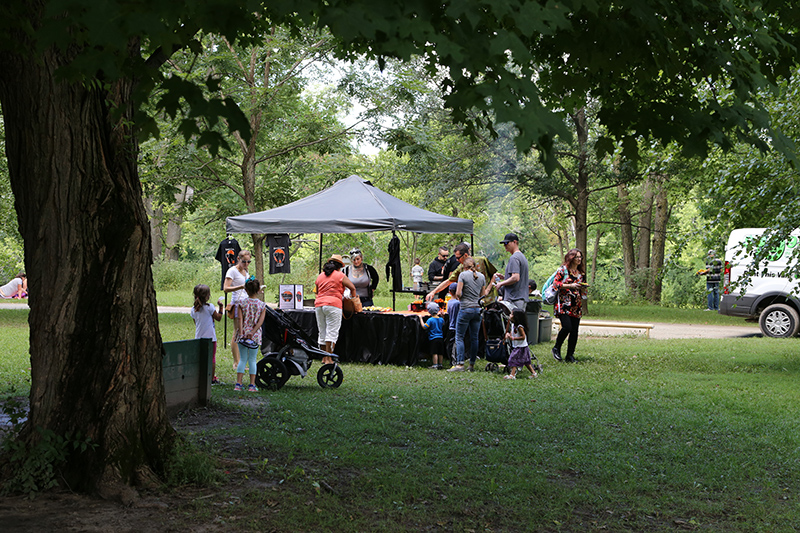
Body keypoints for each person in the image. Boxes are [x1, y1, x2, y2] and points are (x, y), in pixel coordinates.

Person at [450, 257, 492, 372]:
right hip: (477, 310)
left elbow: (458, 292)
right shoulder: (482, 277)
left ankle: (460, 364)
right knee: (474, 338)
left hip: (465, 309)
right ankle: (472, 365)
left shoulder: (463, 275)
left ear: (464, 266)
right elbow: (482, 295)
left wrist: (461, 297)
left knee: (459, 337)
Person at [315, 254, 358, 365]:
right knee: (332, 332)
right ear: (339, 266)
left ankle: (324, 358)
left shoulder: (321, 275)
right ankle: (329, 359)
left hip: (319, 305)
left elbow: (316, 291)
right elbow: (352, 288)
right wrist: (353, 299)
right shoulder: (340, 275)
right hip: (333, 305)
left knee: (322, 331)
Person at [426, 243, 497, 302]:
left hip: (489, 300)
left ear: (465, 255)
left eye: (458, 258)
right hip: (474, 303)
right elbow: (448, 281)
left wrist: (487, 290)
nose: (456, 260)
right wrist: (433, 292)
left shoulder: (482, 260)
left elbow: (494, 275)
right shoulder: (461, 267)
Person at [551, 248, 587, 363]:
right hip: (563, 304)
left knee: (574, 331)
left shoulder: (581, 273)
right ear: (571, 258)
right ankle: (556, 347)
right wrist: (570, 286)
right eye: (577, 257)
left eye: (580, 257)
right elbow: (555, 284)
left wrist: (583, 287)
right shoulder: (563, 270)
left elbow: (582, 288)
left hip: (576, 305)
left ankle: (570, 355)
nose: (579, 259)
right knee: (567, 327)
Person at [235, 278, 267, 392]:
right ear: (259, 289)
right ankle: (252, 385)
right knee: (252, 360)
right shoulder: (262, 305)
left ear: (245, 290)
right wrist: (252, 332)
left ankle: (238, 384)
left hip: (242, 334)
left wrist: (242, 332)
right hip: (255, 335)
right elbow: (260, 322)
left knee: (243, 359)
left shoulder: (241, 303)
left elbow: (240, 319)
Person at [190, 284, 224, 385]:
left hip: (199, 337)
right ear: (207, 296)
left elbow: (196, 323)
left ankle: (200, 376)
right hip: (211, 338)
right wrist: (221, 308)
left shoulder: (193, 309)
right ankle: (211, 379)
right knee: (211, 358)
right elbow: (218, 318)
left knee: (201, 358)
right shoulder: (210, 307)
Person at [224, 250, 251, 370]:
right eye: (244, 261)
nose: (246, 264)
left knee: (244, 331)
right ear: (238, 259)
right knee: (237, 331)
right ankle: (236, 362)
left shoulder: (246, 271)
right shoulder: (232, 271)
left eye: (248, 261)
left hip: (246, 303)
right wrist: (240, 286)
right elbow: (226, 288)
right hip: (237, 303)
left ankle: (241, 361)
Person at [490, 233, 529, 311]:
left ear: (514, 242)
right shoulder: (522, 256)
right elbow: (518, 277)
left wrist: (501, 283)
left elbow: (515, 278)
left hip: (514, 299)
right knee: (519, 322)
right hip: (521, 298)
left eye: (507, 243)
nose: (505, 245)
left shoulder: (514, 258)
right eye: (504, 244)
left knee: (513, 322)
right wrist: (505, 277)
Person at [504, 309, 539, 379]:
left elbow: (523, 337)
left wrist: (513, 338)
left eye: (511, 314)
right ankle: (534, 373)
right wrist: (508, 335)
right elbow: (512, 333)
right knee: (526, 362)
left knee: (513, 359)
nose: (510, 315)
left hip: (521, 347)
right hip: (518, 346)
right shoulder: (513, 325)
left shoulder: (520, 327)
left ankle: (512, 375)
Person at [419, 302, 445, 369]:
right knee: (440, 352)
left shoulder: (430, 320)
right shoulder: (441, 319)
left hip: (433, 338)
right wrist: (442, 316)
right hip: (441, 338)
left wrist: (420, 319)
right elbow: (443, 324)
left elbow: (424, 327)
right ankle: (440, 364)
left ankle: (435, 365)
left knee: (435, 352)